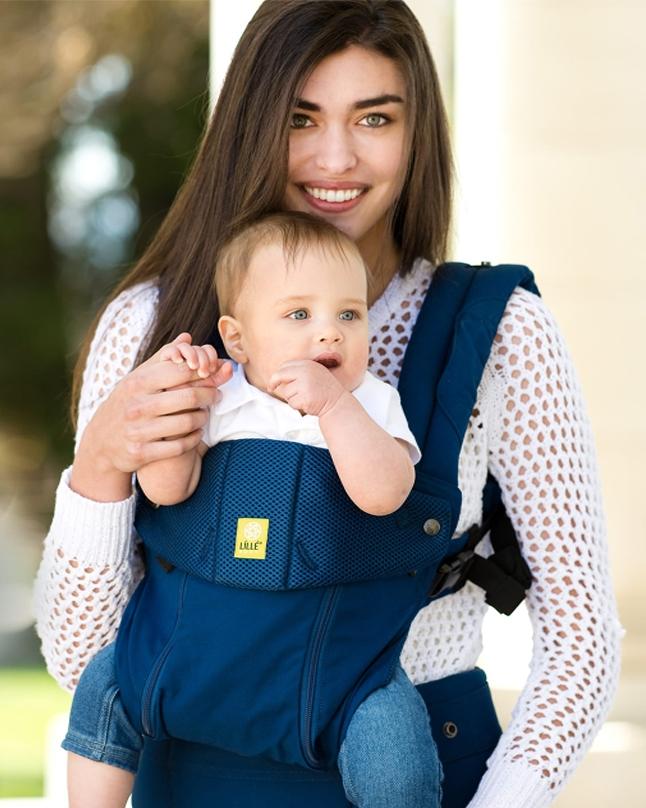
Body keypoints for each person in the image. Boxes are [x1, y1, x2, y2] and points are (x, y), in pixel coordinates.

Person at [34, 1, 622, 806]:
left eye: (373, 117)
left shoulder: (499, 333)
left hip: (413, 762)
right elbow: (83, 658)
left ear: (417, 134)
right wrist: (99, 465)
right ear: (252, 124)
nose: (334, 157)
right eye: (301, 118)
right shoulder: (150, 324)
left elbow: (583, 643)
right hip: (194, 769)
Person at [61, 211, 444, 808]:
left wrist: (335, 409)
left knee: (397, 753)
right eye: (299, 315)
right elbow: (167, 493)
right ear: (237, 338)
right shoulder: (221, 398)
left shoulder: (371, 401)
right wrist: (180, 404)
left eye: (350, 314)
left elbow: (385, 493)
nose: (330, 334)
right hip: (195, 646)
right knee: (106, 689)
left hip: (336, 669)